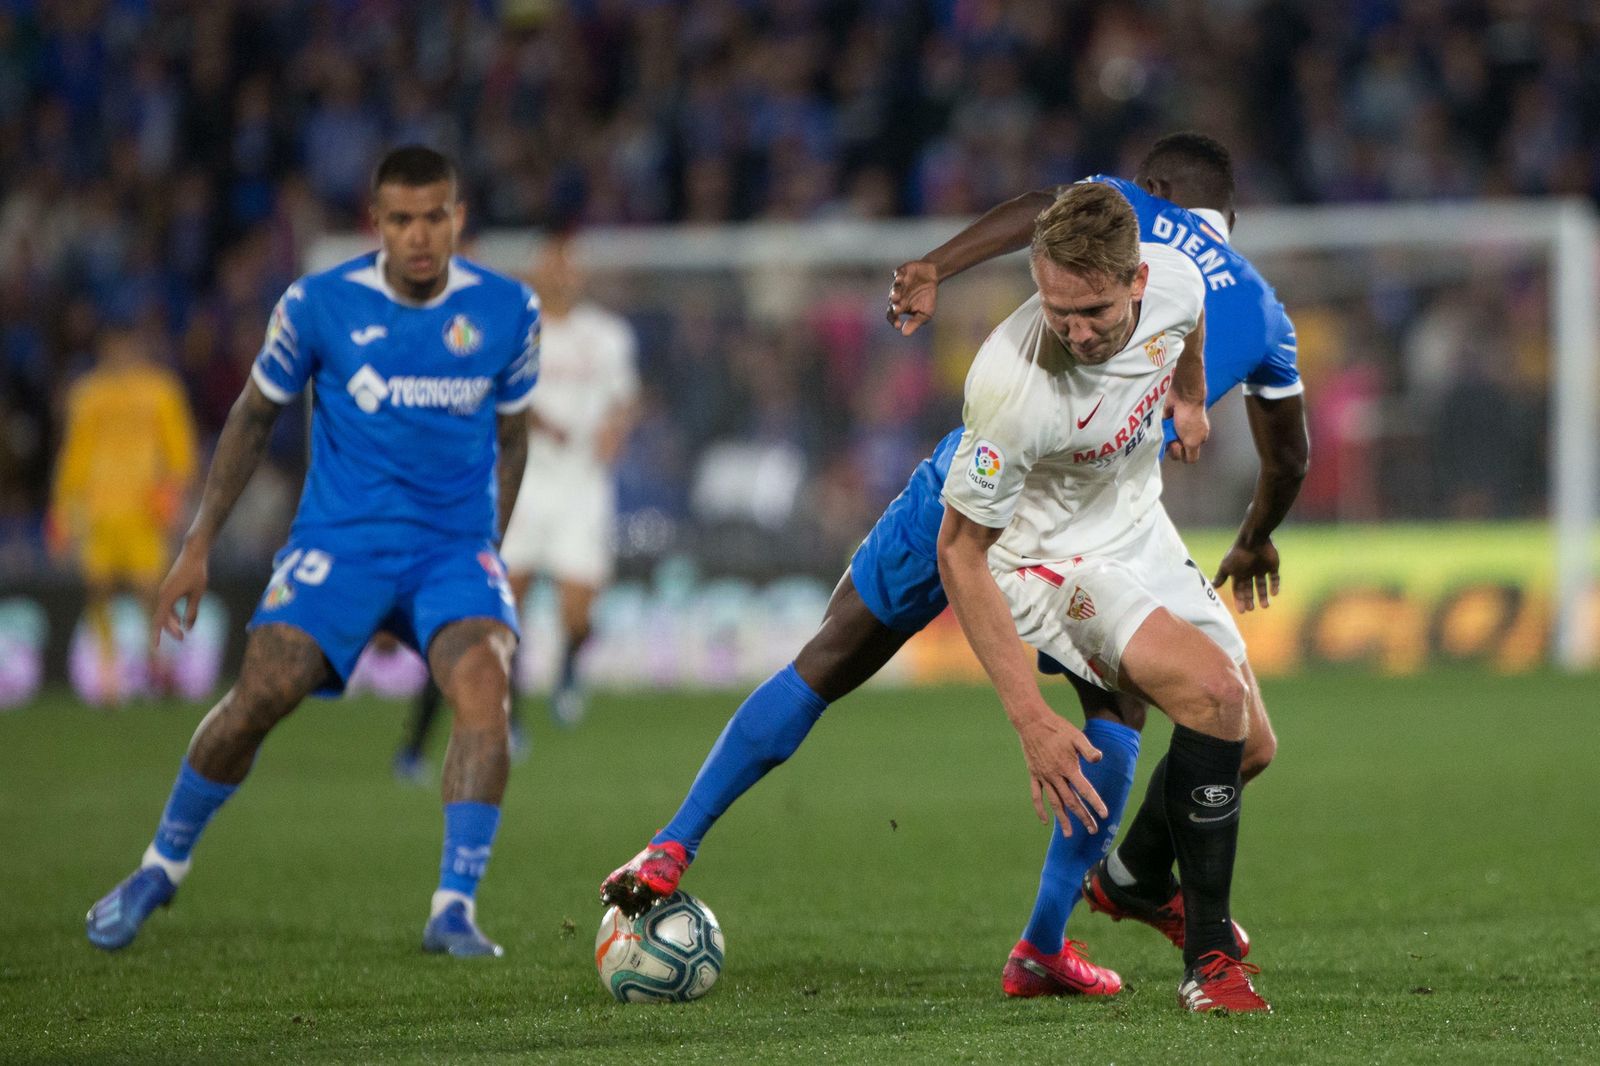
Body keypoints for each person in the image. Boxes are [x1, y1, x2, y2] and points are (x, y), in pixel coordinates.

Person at [600, 135, 1304, 1012]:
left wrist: (1192, 398)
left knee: (1127, 714)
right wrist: (1027, 719)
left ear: (1134, 276)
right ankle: (670, 846)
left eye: (1091, 312)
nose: (1075, 331)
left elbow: (1181, 314)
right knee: (844, 660)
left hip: (1088, 527)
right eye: (1058, 311)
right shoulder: (1015, 381)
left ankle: (1048, 943)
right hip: (979, 513)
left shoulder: (1173, 276)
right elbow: (962, 550)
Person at [84, 146, 541, 959]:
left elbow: (512, 438)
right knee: (264, 690)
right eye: (402, 219)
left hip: (451, 550)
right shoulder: (318, 304)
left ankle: (453, 910)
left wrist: (489, 550)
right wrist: (195, 549)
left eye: (435, 215)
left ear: (457, 217)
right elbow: (254, 418)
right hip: (340, 542)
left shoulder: (510, 311)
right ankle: (160, 866)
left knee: (484, 685)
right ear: (377, 224)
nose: (420, 235)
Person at [394, 235, 638, 776]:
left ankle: (570, 663)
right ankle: (510, 718)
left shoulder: (607, 335)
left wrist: (614, 432)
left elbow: (625, 398)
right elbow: (488, 393)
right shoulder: (511, 329)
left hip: (582, 487)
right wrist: (532, 421)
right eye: (551, 267)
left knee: (577, 612)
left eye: (568, 267)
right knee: (507, 608)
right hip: (521, 484)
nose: (560, 276)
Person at [47, 325, 197, 703]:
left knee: (150, 591)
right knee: (98, 589)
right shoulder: (89, 393)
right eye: (113, 346)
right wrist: (64, 510)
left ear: (138, 346)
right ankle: (109, 669)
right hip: (100, 510)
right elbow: (75, 454)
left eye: (126, 345)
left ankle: (156, 664)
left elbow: (179, 448)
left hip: (143, 510)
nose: (120, 354)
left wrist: (173, 496)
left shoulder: (160, 390)